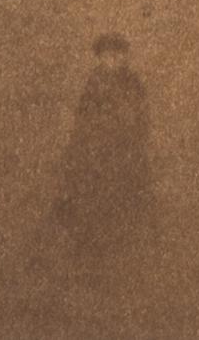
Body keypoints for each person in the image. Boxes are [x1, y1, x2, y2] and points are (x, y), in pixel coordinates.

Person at [54, 34, 154, 267]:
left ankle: (129, 253)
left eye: (118, 55)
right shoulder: (93, 84)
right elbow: (83, 121)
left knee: (130, 199)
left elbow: (141, 119)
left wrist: (134, 140)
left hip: (126, 151)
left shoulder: (133, 83)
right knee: (91, 200)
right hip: (96, 154)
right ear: (100, 58)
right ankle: (90, 255)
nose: (114, 59)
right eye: (108, 55)